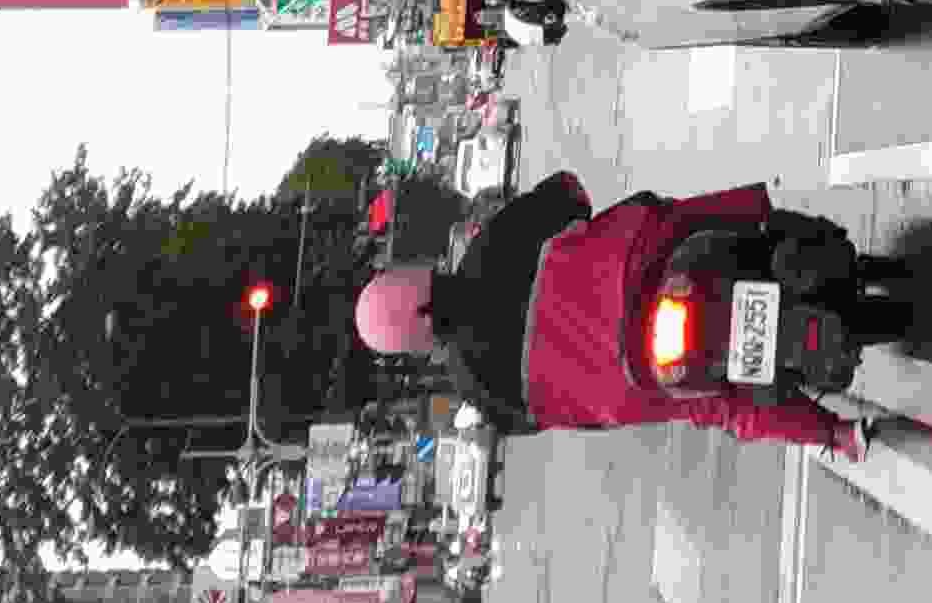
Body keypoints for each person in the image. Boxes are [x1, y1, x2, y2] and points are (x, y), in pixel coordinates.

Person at [355, 169, 868, 459]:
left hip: (639, 370)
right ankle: (793, 230)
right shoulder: (491, 243)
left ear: (412, 344)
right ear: (416, 276)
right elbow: (572, 193)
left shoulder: (478, 389)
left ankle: (836, 435)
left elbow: (543, 422)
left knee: (717, 405)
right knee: (697, 216)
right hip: (646, 262)